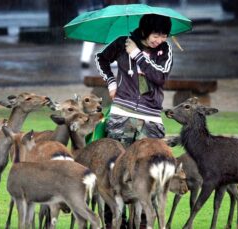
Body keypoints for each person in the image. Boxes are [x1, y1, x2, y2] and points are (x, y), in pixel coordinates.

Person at [95, 13, 173, 228]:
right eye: (157, 35)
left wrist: (138, 54)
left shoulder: (164, 51)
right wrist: (111, 83)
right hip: (122, 115)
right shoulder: (122, 43)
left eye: (164, 36)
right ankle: (115, 223)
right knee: (115, 171)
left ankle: (144, 223)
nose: (160, 40)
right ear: (146, 31)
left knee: (147, 175)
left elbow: (160, 77)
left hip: (151, 119)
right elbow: (101, 58)